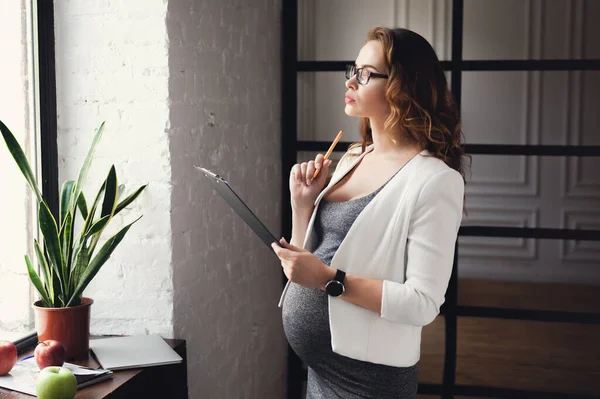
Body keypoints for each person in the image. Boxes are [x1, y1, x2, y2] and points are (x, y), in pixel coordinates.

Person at [271, 26, 467, 399]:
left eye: (365, 74)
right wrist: (302, 205)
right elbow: (306, 263)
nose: (352, 81)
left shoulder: (435, 181)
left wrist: (331, 280)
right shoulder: (354, 157)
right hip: (319, 371)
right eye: (353, 70)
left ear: (403, 88)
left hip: (367, 380)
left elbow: (422, 303)